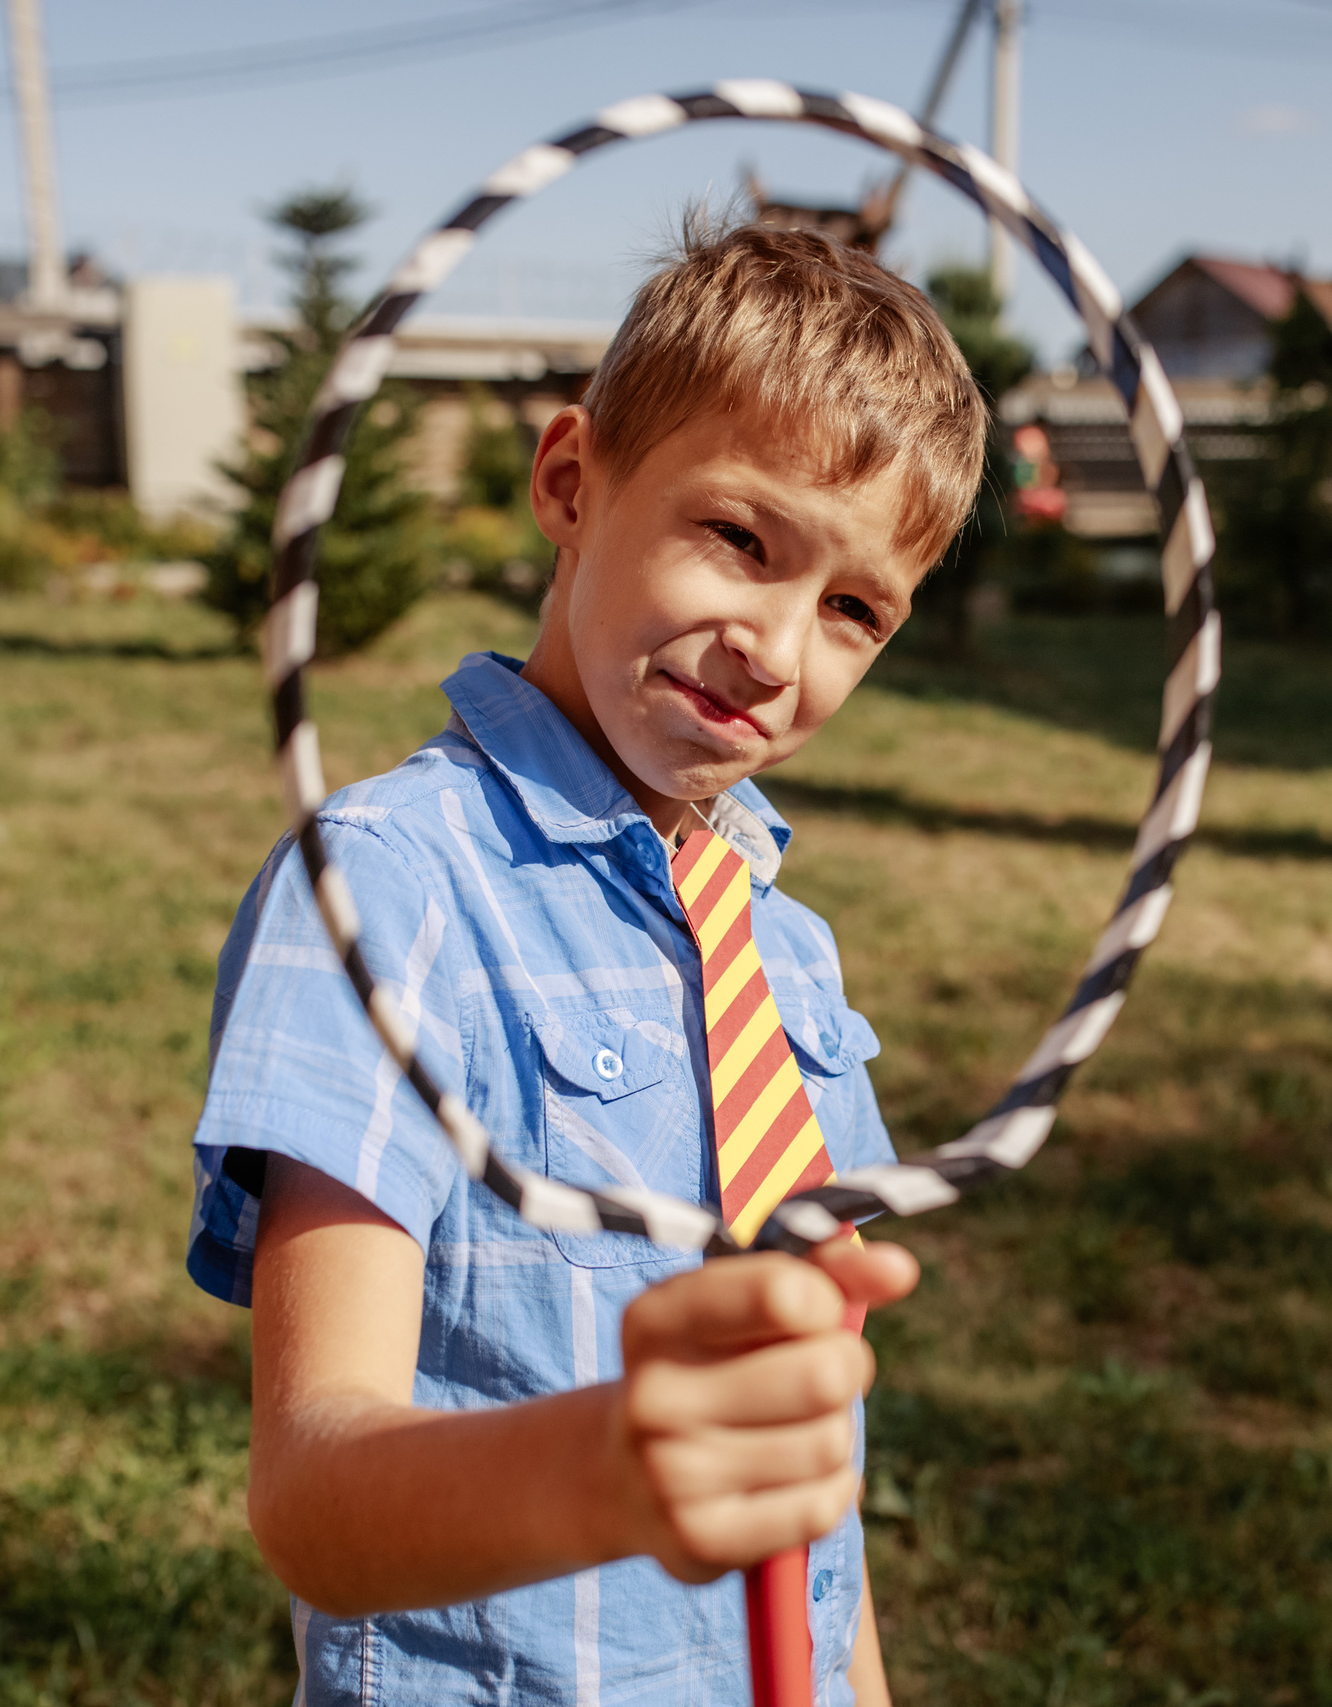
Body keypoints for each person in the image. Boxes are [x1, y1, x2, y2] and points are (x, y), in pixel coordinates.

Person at [185, 214, 990, 1706]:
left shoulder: (787, 962)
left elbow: (808, 1490)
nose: (775, 645)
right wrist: (609, 1468)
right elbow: (311, 1500)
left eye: (855, 609)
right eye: (741, 539)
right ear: (572, 483)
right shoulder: (390, 891)